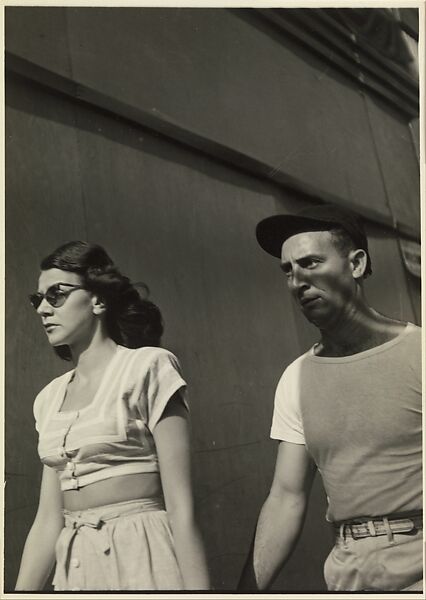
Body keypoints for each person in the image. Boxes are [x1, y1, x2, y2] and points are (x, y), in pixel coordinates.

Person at [238, 203, 422, 592]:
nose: (297, 281)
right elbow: (286, 498)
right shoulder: (296, 378)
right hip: (349, 578)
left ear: (355, 264)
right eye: (288, 271)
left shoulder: (419, 352)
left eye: (310, 263)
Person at [15, 241, 210, 591]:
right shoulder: (48, 399)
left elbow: (182, 507)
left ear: (98, 300)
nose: (43, 308)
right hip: (75, 568)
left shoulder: (148, 366)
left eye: (56, 294)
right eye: (38, 299)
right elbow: (47, 520)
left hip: (144, 556)